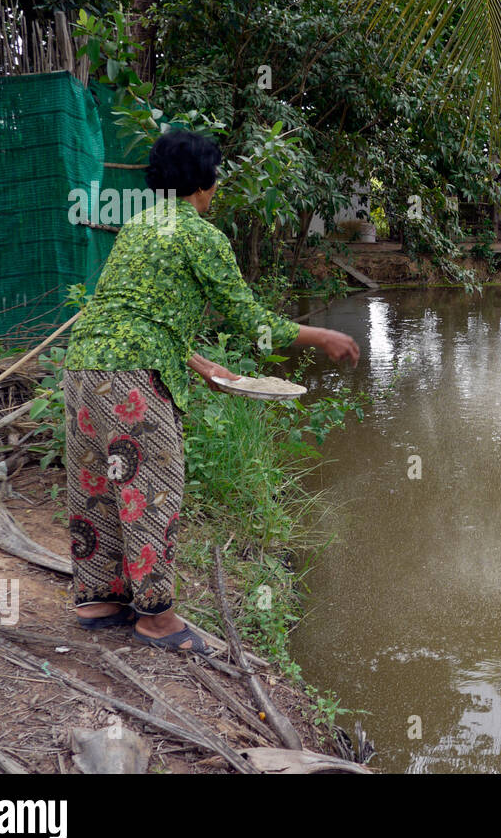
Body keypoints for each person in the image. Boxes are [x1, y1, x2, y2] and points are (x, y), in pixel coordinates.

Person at [63, 130, 358, 652]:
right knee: (150, 489)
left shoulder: (138, 227)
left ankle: (97, 599)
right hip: (134, 375)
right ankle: (155, 619)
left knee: (96, 483)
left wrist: (199, 364)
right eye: (216, 174)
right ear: (205, 180)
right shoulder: (200, 235)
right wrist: (324, 336)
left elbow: (134, 314)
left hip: (84, 365)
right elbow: (250, 321)